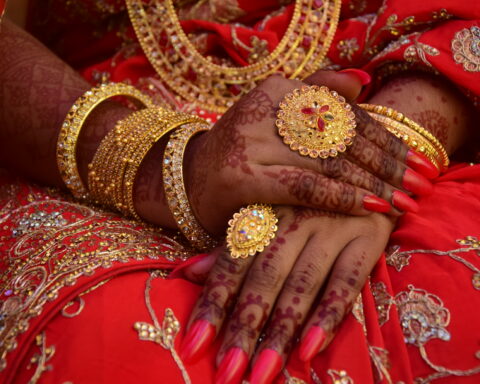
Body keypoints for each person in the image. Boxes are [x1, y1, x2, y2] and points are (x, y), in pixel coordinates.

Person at [0, 1, 479, 383]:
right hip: (80, 124)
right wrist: (165, 164)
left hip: (400, 91)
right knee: (107, 342)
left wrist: (375, 155)